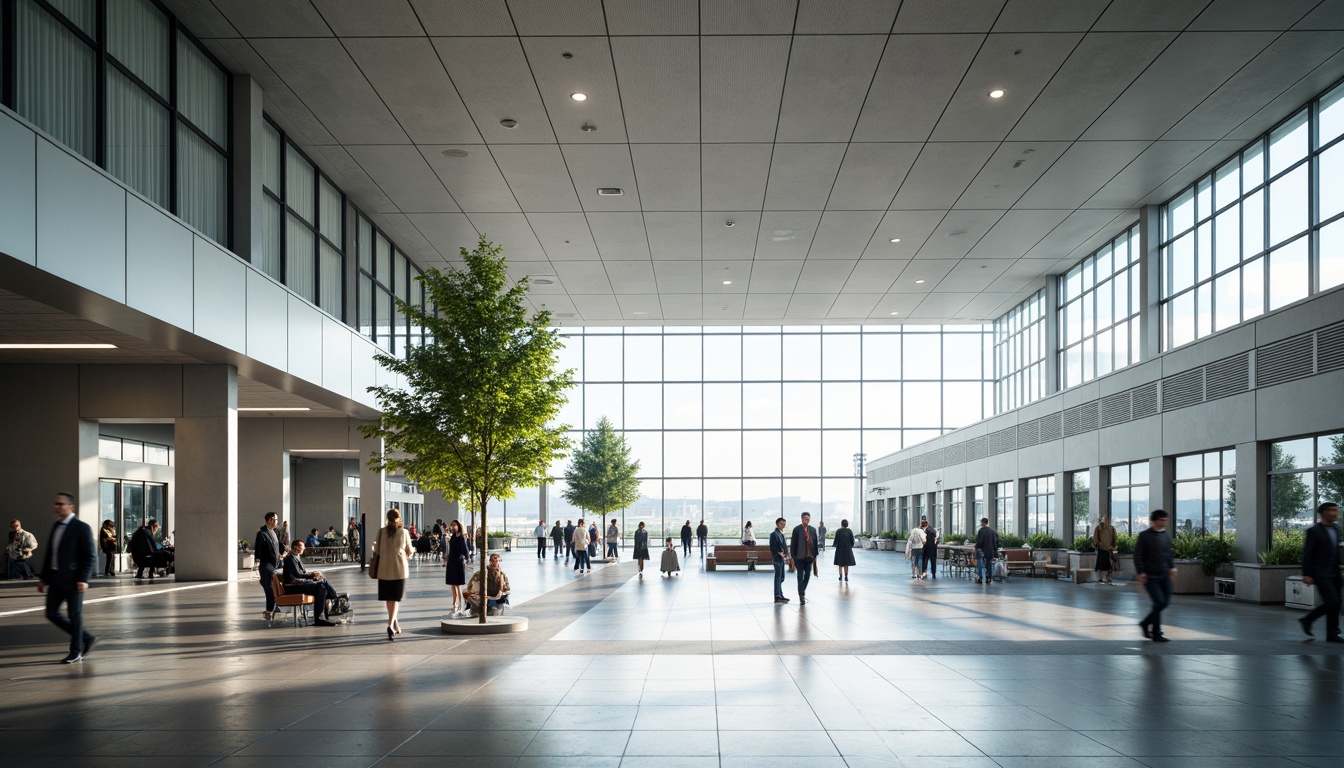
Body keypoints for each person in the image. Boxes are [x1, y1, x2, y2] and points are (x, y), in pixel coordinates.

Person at [38, 493, 96, 663]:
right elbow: (50, 554)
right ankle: (86, 636)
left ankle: (76, 651)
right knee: (51, 613)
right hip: (56, 579)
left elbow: (90, 556)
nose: (57, 507)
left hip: (74, 581)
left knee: (74, 615)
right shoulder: (56, 526)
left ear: (71, 506)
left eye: (60, 504)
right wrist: (44, 579)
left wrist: (84, 579)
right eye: (55, 504)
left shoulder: (81, 527)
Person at [1298, 502, 1342, 642]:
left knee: (1336, 603)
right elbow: (1307, 554)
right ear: (1324, 513)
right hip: (1321, 573)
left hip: (1335, 572)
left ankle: (1332, 633)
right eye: (1332, 511)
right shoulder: (1314, 531)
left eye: (1336, 511)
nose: (1336, 513)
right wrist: (1307, 574)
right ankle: (1308, 619)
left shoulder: (1335, 530)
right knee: (1333, 600)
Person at [1134, 509, 1176, 643]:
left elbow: (1168, 553)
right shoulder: (1144, 536)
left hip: (1164, 574)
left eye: (1165, 519)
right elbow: (1138, 556)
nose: (1165, 522)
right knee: (1159, 602)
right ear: (1155, 521)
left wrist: (1172, 567)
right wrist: (1141, 572)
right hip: (1150, 576)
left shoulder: (1165, 535)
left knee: (1164, 603)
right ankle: (1155, 632)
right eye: (1162, 520)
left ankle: (1147, 625)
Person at [372, 508, 413, 641]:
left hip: (383, 569)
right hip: (398, 569)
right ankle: (390, 625)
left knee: (389, 599)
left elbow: (377, 549)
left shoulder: (381, 532)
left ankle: (394, 622)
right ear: (399, 518)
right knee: (395, 599)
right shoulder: (404, 532)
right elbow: (409, 550)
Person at [282, 542, 338, 626]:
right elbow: (297, 575)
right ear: (296, 547)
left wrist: (312, 575)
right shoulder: (290, 559)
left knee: (322, 585)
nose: (304, 548)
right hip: (293, 587)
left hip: (299, 584)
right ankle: (334, 600)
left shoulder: (296, 558)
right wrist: (312, 576)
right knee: (322, 585)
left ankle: (323, 616)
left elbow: (302, 573)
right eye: (302, 547)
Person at [255, 512, 285, 621]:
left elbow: (279, 546)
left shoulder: (274, 532)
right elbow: (258, 551)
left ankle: (272, 609)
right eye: (276, 519)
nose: (277, 521)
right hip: (266, 565)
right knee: (269, 587)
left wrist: (282, 554)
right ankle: (270, 609)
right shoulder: (262, 533)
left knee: (273, 588)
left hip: (275, 564)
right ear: (270, 520)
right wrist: (257, 564)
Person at [791, 512, 819, 605]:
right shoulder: (797, 529)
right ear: (802, 519)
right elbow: (793, 543)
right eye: (806, 518)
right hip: (799, 557)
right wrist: (793, 556)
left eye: (809, 518)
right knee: (800, 577)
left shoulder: (812, 530)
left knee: (807, 576)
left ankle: (801, 591)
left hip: (809, 557)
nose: (807, 519)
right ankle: (801, 595)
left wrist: (815, 555)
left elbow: (815, 543)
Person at [445, 520, 469, 617]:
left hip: (458, 562)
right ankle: (454, 604)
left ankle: (459, 605)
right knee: (453, 584)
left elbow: (464, 549)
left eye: (454, 525)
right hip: (452, 561)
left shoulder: (461, 537)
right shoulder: (454, 537)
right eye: (452, 525)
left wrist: (466, 557)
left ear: (458, 526)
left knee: (457, 585)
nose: (452, 527)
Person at [1093, 515, 1118, 585]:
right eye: (1105, 519)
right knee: (1101, 564)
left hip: (1110, 549)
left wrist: (1115, 549)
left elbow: (1114, 539)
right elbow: (1095, 538)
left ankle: (1108, 577)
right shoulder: (1098, 528)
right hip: (1102, 549)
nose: (1106, 520)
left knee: (1112, 563)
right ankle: (1101, 577)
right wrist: (1099, 544)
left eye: (1107, 519)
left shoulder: (1112, 528)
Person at [770, 517, 790, 603]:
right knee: (778, 577)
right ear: (777, 524)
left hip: (782, 558)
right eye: (782, 524)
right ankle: (777, 596)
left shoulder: (781, 533)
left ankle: (780, 595)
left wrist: (786, 555)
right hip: (777, 558)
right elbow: (772, 546)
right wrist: (779, 553)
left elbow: (784, 545)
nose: (783, 525)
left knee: (781, 577)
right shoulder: (774, 534)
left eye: (784, 524)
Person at [974, 518, 998, 585]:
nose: (980, 523)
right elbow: (995, 543)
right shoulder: (992, 531)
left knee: (980, 564)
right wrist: (995, 550)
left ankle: (980, 578)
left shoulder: (981, 531)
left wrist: (977, 547)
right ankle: (988, 578)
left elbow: (980, 541)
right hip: (990, 551)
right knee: (989, 564)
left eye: (981, 522)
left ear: (983, 522)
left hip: (982, 550)